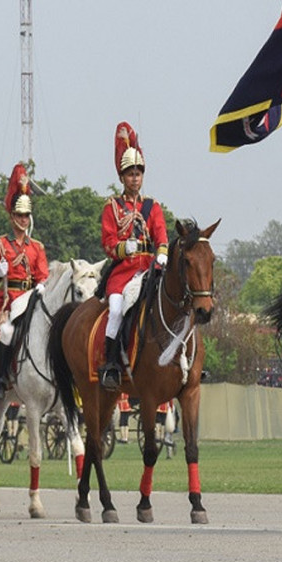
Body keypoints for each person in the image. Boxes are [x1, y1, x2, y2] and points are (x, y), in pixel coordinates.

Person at [98, 122, 168, 390]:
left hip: (149, 269)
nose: (135, 177)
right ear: (122, 177)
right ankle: (111, 364)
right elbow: (107, 242)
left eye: (138, 172)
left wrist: (161, 254)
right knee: (116, 309)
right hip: (123, 272)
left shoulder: (153, 207)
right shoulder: (113, 207)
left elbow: (161, 237)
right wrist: (121, 248)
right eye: (130, 173)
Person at [0, 163, 49, 398]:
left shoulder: (37, 247)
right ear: (11, 216)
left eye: (26, 215)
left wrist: (41, 285)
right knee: (7, 332)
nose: (23, 219)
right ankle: (0, 378)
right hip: (10, 301)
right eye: (19, 215)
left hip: (32, 299)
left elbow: (43, 274)